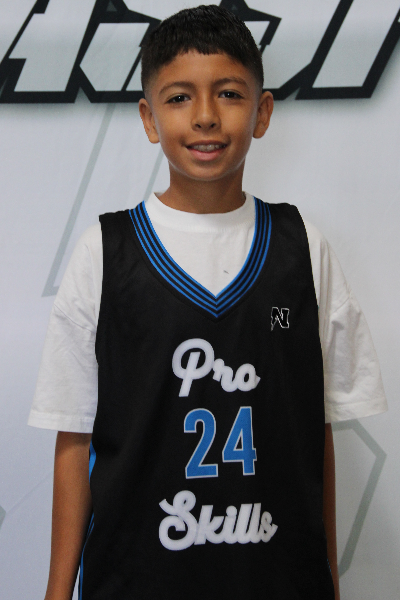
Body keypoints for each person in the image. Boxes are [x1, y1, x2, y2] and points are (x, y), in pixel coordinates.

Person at [29, 5, 387, 600]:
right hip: (136, 579)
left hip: (276, 580)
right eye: (178, 98)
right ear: (148, 118)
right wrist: (56, 591)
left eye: (228, 94)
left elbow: (315, 432)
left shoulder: (302, 247)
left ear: (262, 112)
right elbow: (75, 437)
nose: (204, 116)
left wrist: (327, 577)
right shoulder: (105, 251)